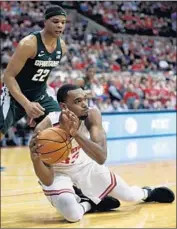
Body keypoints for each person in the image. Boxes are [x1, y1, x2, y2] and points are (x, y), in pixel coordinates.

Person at [29, 84, 175, 223]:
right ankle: (89, 203)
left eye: (85, 99)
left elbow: (101, 157)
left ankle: (147, 193)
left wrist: (76, 135)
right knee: (72, 215)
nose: (85, 104)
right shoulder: (44, 130)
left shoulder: (92, 115)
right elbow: (47, 180)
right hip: (58, 173)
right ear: (64, 107)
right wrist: (35, 160)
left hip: (85, 166)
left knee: (129, 195)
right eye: (78, 101)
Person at [0, 5, 67, 140]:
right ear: (45, 22)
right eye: (55, 21)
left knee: (63, 123)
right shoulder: (29, 44)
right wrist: (26, 105)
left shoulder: (62, 47)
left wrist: (34, 106)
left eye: (63, 22)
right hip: (14, 96)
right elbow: (7, 76)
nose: (60, 25)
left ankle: (48, 159)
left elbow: (41, 73)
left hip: (39, 96)